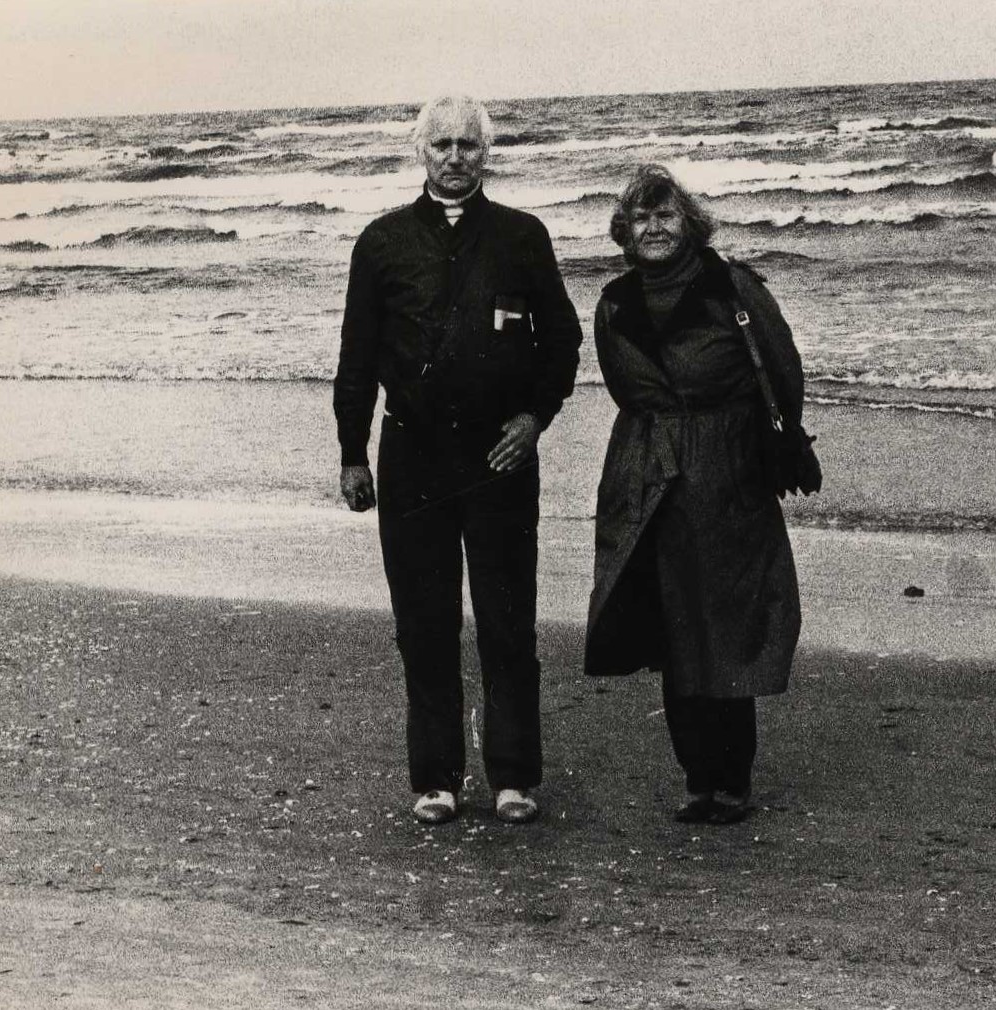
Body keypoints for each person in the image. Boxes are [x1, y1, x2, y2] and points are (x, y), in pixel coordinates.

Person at [334, 96, 582, 825]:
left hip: (499, 458)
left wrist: (534, 419)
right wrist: (352, 454)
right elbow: (356, 358)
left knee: (508, 621)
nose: (454, 157)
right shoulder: (381, 242)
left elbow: (562, 342)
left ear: (486, 153)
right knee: (424, 623)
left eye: (467, 145)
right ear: (420, 152)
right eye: (441, 144)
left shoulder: (521, 236)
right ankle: (437, 779)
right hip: (411, 456)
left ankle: (513, 778)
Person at [585, 164, 803, 825]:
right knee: (673, 629)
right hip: (646, 473)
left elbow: (783, 369)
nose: (654, 227)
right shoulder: (614, 302)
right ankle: (698, 781)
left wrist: (767, 448)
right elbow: (624, 387)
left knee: (728, 627)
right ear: (624, 231)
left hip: (726, 473)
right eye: (641, 217)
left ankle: (732, 781)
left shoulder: (731, 286)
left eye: (666, 215)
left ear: (689, 223)